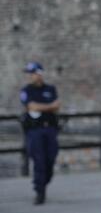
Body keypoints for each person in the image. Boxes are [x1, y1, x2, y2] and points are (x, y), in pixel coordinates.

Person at [20, 62, 61, 205]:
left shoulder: (50, 89)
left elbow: (57, 106)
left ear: (39, 74)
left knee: (50, 158)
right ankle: (39, 191)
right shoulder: (26, 90)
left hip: (50, 129)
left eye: (32, 73)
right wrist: (48, 107)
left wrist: (42, 107)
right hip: (35, 131)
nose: (30, 76)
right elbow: (31, 106)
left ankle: (44, 182)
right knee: (39, 161)